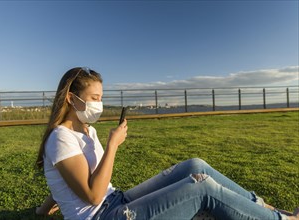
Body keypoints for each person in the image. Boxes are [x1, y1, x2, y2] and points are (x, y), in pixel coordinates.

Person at [36, 67, 298, 220]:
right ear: (71, 98)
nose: (98, 104)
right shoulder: (61, 137)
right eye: (93, 97)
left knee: (195, 165)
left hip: (116, 200)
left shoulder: (85, 130)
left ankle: (261, 207)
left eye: (100, 97)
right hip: (105, 215)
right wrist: (113, 145)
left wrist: (45, 207)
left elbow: (67, 174)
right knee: (201, 188)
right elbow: (92, 195)